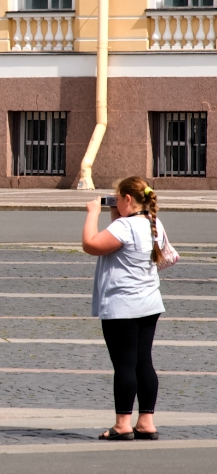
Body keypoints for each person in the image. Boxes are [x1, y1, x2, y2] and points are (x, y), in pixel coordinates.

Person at [82, 176, 167, 441]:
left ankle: (122, 424)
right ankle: (146, 422)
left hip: (122, 307)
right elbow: (118, 243)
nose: (115, 202)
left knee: (125, 364)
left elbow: (91, 245)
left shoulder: (124, 227)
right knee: (144, 362)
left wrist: (92, 213)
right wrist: (114, 214)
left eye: (118, 198)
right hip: (149, 304)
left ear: (128, 199)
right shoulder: (154, 224)